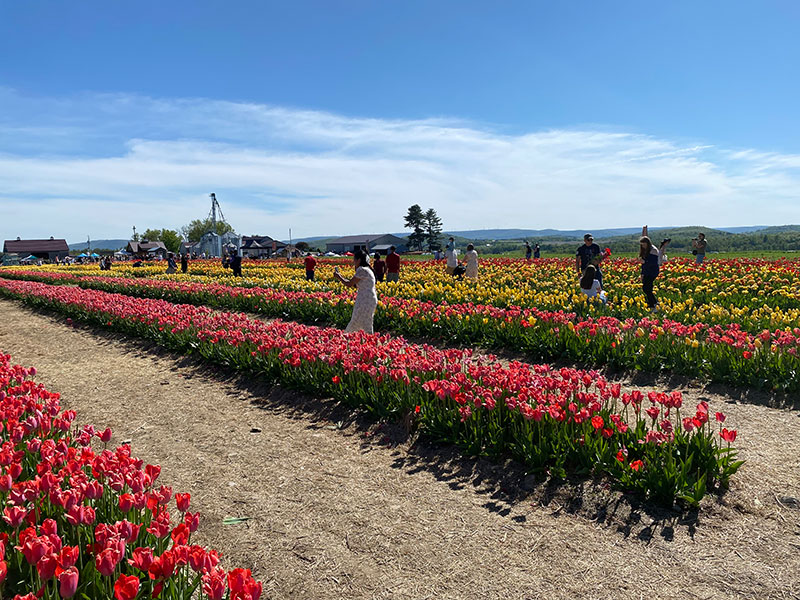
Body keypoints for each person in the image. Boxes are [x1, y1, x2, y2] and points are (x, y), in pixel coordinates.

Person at [333, 251, 378, 334]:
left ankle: (352, 336)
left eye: (354, 260)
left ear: (359, 260)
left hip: (365, 299)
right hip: (369, 298)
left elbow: (349, 284)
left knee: (357, 319)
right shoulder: (368, 269)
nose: (353, 262)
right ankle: (366, 338)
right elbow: (355, 284)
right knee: (366, 319)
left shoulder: (362, 270)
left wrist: (339, 277)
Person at [638, 228, 670, 311]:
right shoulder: (645, 250)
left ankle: (654, 304)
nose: (643, 246)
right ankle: (653, 303)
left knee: (647, 288)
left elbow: (653, 262)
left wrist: (644, 261)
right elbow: (644, 264)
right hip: (647, 271)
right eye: (642, 245)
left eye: (644, 245)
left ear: (647, 243)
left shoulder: (653, 250)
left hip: (652, 271)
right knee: (646, 288)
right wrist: (642, 273)